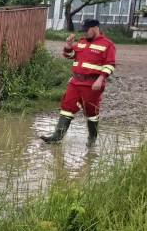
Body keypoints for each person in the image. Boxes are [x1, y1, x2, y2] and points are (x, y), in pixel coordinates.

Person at [41, 18, 116, 146]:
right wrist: (68, 46)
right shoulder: (81, 42)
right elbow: (70, 55)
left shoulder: (107, 45)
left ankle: (92, 138)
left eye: (86, 31)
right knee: (66, 107)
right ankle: (57, 136)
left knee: (91, 112)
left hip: (92, 85)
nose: (84, 33)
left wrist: (101, 79)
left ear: (95, 28)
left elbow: (110, 64)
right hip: (75, 82)